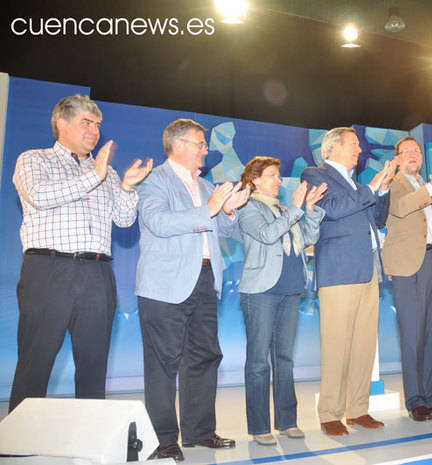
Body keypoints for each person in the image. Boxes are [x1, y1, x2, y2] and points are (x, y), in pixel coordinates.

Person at [9, 94, 152, 412]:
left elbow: (124, 219)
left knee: (93, 364)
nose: (94, 131)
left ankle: (90, 442)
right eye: (86, 122)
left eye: (98, 124)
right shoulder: (35, 159)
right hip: (49, 269)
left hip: (98, 273)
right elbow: (39, 196)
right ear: (62, 123)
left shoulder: (107, 173)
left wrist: (127, 188)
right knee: (36, 360)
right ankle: (17, 446)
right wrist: (94, 176)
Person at [136, 118, 249, 462]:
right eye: (200, 144)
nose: (205, 150)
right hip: (164, 284)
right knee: (163, 364)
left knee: (204, 357)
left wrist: (228, 209)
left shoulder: (204, 186)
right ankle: (163, 439)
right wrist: (211, 208)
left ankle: (199, 432)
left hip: (203, 280)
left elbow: (222, 230)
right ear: (179, 144)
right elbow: (159, 222)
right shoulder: (154, 180)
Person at [300, 127, 394, 435]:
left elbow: (377, 219)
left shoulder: (356, 182)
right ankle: (329, 413)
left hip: (368, 269)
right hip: (339, 271)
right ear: (333, 147)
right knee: (336, 345)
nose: (360, 150)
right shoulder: (315, 174)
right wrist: (371, 187)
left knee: (364, 345)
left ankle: (358, 410)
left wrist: (381, 191)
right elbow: (334, 210)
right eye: (354, 144)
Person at [236, 157, 327, 445]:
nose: (278, 181)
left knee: (285, 359)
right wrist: (296, 209)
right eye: (272, 176)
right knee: (258, 361)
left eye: (278, 175)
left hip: (289, 290)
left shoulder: (284, 209)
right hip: (261, 292)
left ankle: (287, 421)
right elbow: (267, 234)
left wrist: (309, 210)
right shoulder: (248, 207)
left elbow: (310, 237)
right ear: (255, 181)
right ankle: (259, 426)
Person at [382, 137, 432, 422]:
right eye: (407, 152)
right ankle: (415, 398)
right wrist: (431, 186)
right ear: (398, 159)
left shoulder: (430, 188)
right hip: (408, 265)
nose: (413, 155)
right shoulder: (392, 183)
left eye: (417, 151)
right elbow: (401, 208)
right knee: (413, 335)